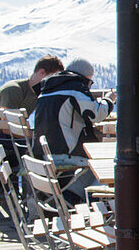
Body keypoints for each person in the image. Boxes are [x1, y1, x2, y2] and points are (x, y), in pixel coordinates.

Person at [32, 57, 117, 200]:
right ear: (84, 78)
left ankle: (68, 199)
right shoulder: (74, 87)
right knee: (103, 166)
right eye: (89, 82)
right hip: (66, 153)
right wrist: (109, 100)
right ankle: (79, 199)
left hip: (47, 153)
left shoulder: (46, 89)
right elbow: (96, 113)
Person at [0, 55, 64, 168]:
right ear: (42, 72)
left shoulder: (37, 94)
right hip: (1, 140)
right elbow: (6, 128)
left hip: (17, 138)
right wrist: (34, 135)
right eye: (52, 77)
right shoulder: (14, 90)